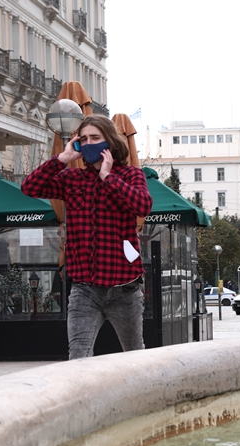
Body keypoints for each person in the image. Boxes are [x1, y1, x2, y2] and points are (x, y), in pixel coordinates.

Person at [21, 115, 152, 359]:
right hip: (85, 289)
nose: (89, 143)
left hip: (125, 288)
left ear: (110, 142)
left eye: (95, 138)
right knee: (78, 356)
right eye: (84, 139)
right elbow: (30, 187)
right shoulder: (72, 179)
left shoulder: (131, 175)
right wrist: (62, 159)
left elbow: (143, 206)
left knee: (135, 356)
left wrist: (107, 177)